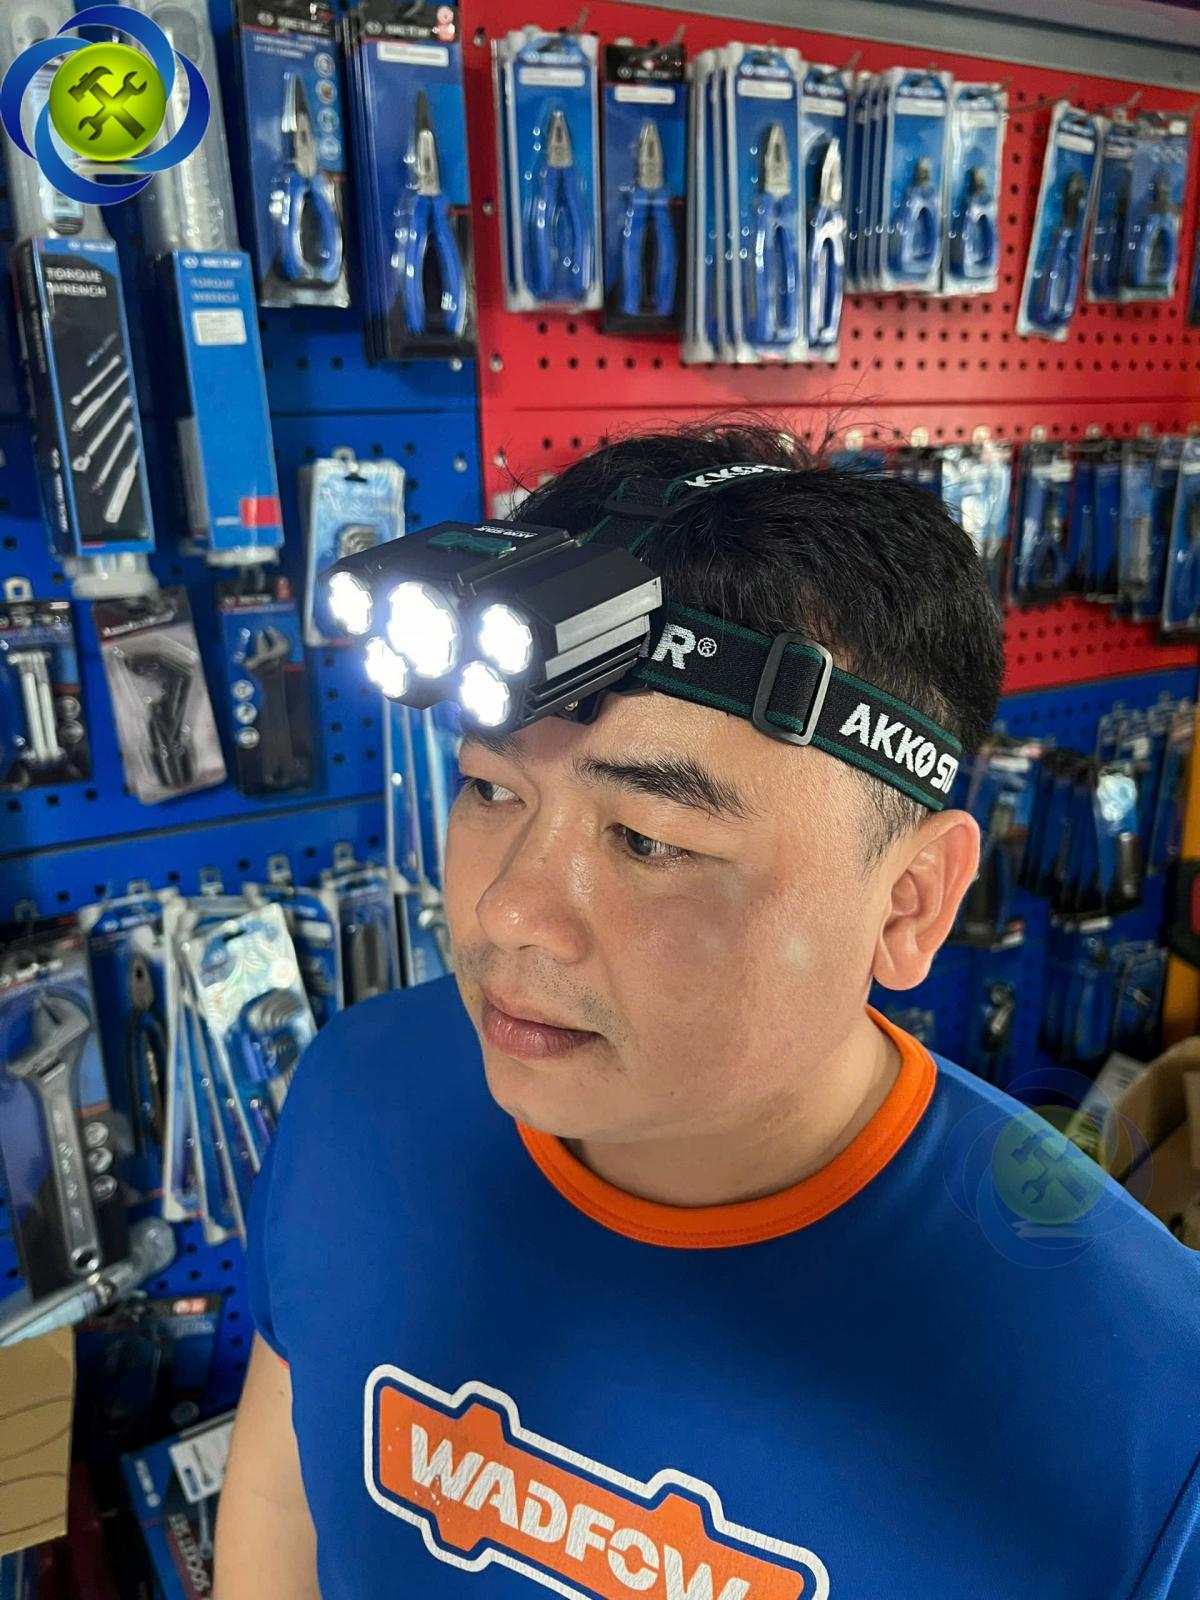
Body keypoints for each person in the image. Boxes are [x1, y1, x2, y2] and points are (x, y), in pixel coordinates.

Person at [215, 423, 1200, 1600]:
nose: (510, 909)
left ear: (910, 901)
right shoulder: (358, 1093)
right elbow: (282, 1501)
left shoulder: (1145, 1413)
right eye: (489, 788)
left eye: (649, 839)